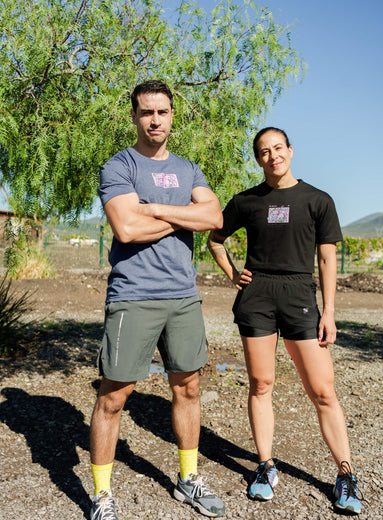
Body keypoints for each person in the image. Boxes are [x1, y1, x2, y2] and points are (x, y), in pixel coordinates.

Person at [207, 127, 363, 514]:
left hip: (299, 297)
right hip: (256, 296)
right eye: (264, 152)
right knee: (261, 384)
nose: (272, 156)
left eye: (278, 148)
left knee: (323, 391)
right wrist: (232, 274)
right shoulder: (246, 201)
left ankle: (345, 474)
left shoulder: (317, 200)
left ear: (290, 151)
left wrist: (329, 311)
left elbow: (327, 260)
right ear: (258, 159)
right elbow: (215, 238)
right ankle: (265, 466)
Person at [89, 80, 226, 520]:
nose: (155, 120)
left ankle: (187, 479)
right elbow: (127, 230)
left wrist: (155, 209)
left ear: (171, 116)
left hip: (183, 296)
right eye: (147, 112)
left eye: (162, 112)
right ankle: (102, 496)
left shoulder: (189, 169)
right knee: (114, 395)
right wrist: (186, 218)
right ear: (134, 116)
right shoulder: (119, 166)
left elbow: (215, 216)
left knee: (187, 387)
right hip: (133, 295)